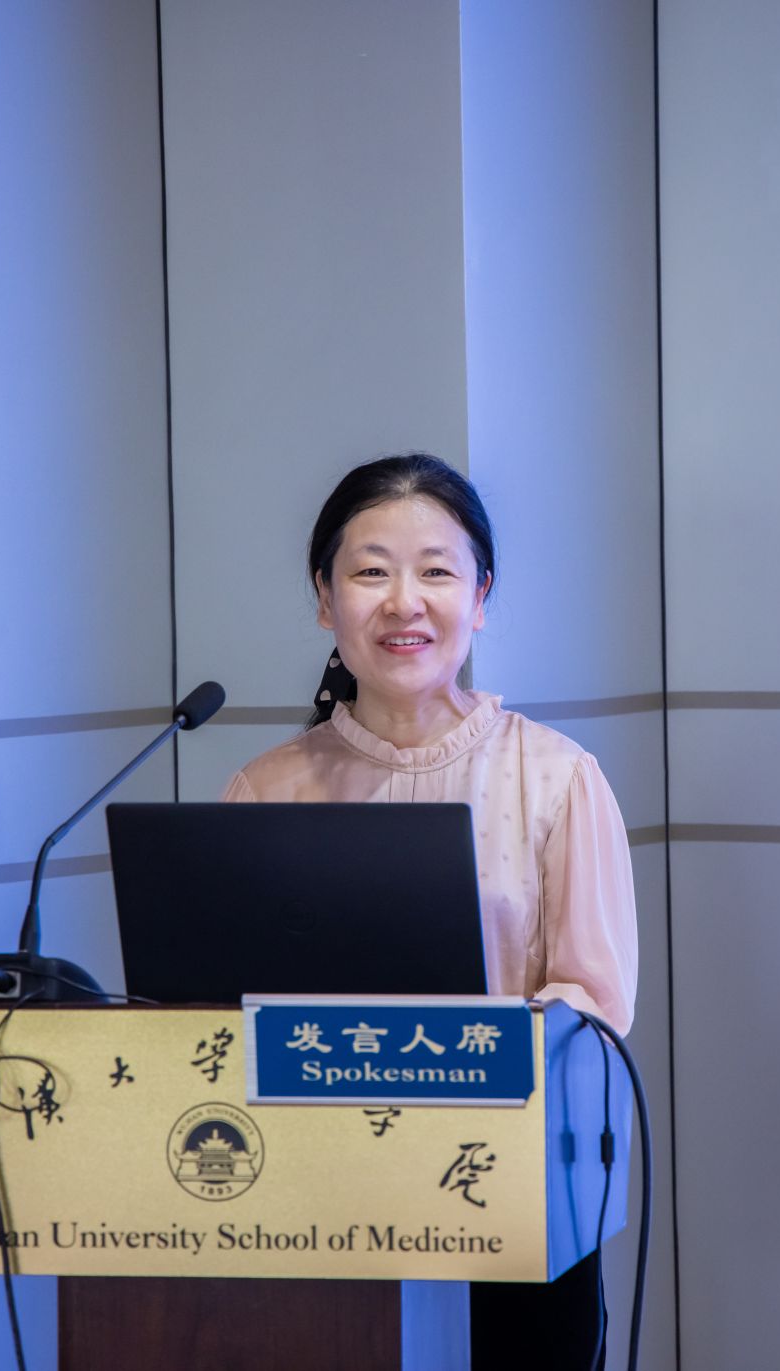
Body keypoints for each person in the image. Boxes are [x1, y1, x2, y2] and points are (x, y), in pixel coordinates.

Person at [221, 452, 637, 1368]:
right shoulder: (265, 791)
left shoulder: (556, 778)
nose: (404, 602)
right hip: (317, 1211)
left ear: (480, 597)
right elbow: (220, 1012)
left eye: (437, 571)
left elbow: (596, 1008)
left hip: (510, 1206)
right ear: (325, 599)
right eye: (371, 571)